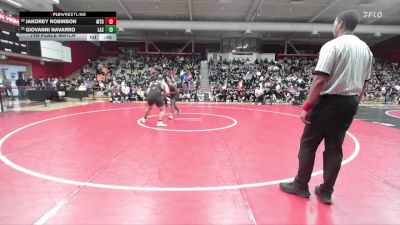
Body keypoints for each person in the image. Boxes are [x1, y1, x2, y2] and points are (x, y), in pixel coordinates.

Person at [279, 10, 373, 205]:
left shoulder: (332, 46)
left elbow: (320, 78)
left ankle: (301, 185)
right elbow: (364, 83)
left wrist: (307, 106)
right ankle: (326, 191)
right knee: (334, 148)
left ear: (339, 23)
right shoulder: (366, 50)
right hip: (350, 102)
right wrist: (355, 103)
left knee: (308, 144)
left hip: (328, 102)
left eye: (334, 23)